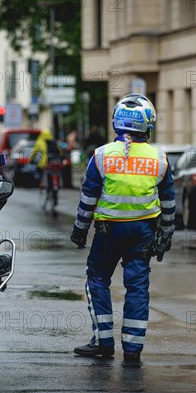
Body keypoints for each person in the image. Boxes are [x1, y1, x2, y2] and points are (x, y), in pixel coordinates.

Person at [70, 94, 175, 361]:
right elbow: (169, 201)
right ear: (147, 125)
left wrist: (80, 229)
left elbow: (88, 198)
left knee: (97, 280)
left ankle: (103, 343)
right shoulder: (159, 158)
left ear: (117, 123)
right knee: (137, 288)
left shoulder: (101, 155)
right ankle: (133, 349)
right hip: (143, 232)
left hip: (108, 232)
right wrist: (166, 234)